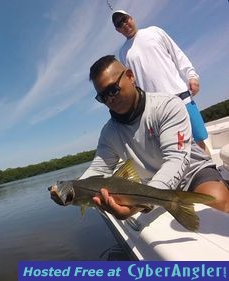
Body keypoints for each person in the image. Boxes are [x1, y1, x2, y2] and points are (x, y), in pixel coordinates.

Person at [81, 55, 228, 220]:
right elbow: (98, 169)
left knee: (219, 208)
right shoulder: (108, 134)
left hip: (192, 173)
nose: (110, 99)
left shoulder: (167, 106)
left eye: (113, 90)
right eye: (103, 97)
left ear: (130, 77)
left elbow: (176, 160)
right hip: (149, 189)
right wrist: (71, 189)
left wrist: (141, 203)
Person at [111, 10, 209, 150]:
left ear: (131, 18)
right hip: (158, 110)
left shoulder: (154, 31)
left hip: (181, 98)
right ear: (117, 30)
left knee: (200, 143)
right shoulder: (123, 53)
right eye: (119, 24)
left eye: (125, 19)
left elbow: (177, 54)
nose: (124, 24)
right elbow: (132, 85)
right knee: (176, 150)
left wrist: (192, 76)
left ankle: (212, 170)